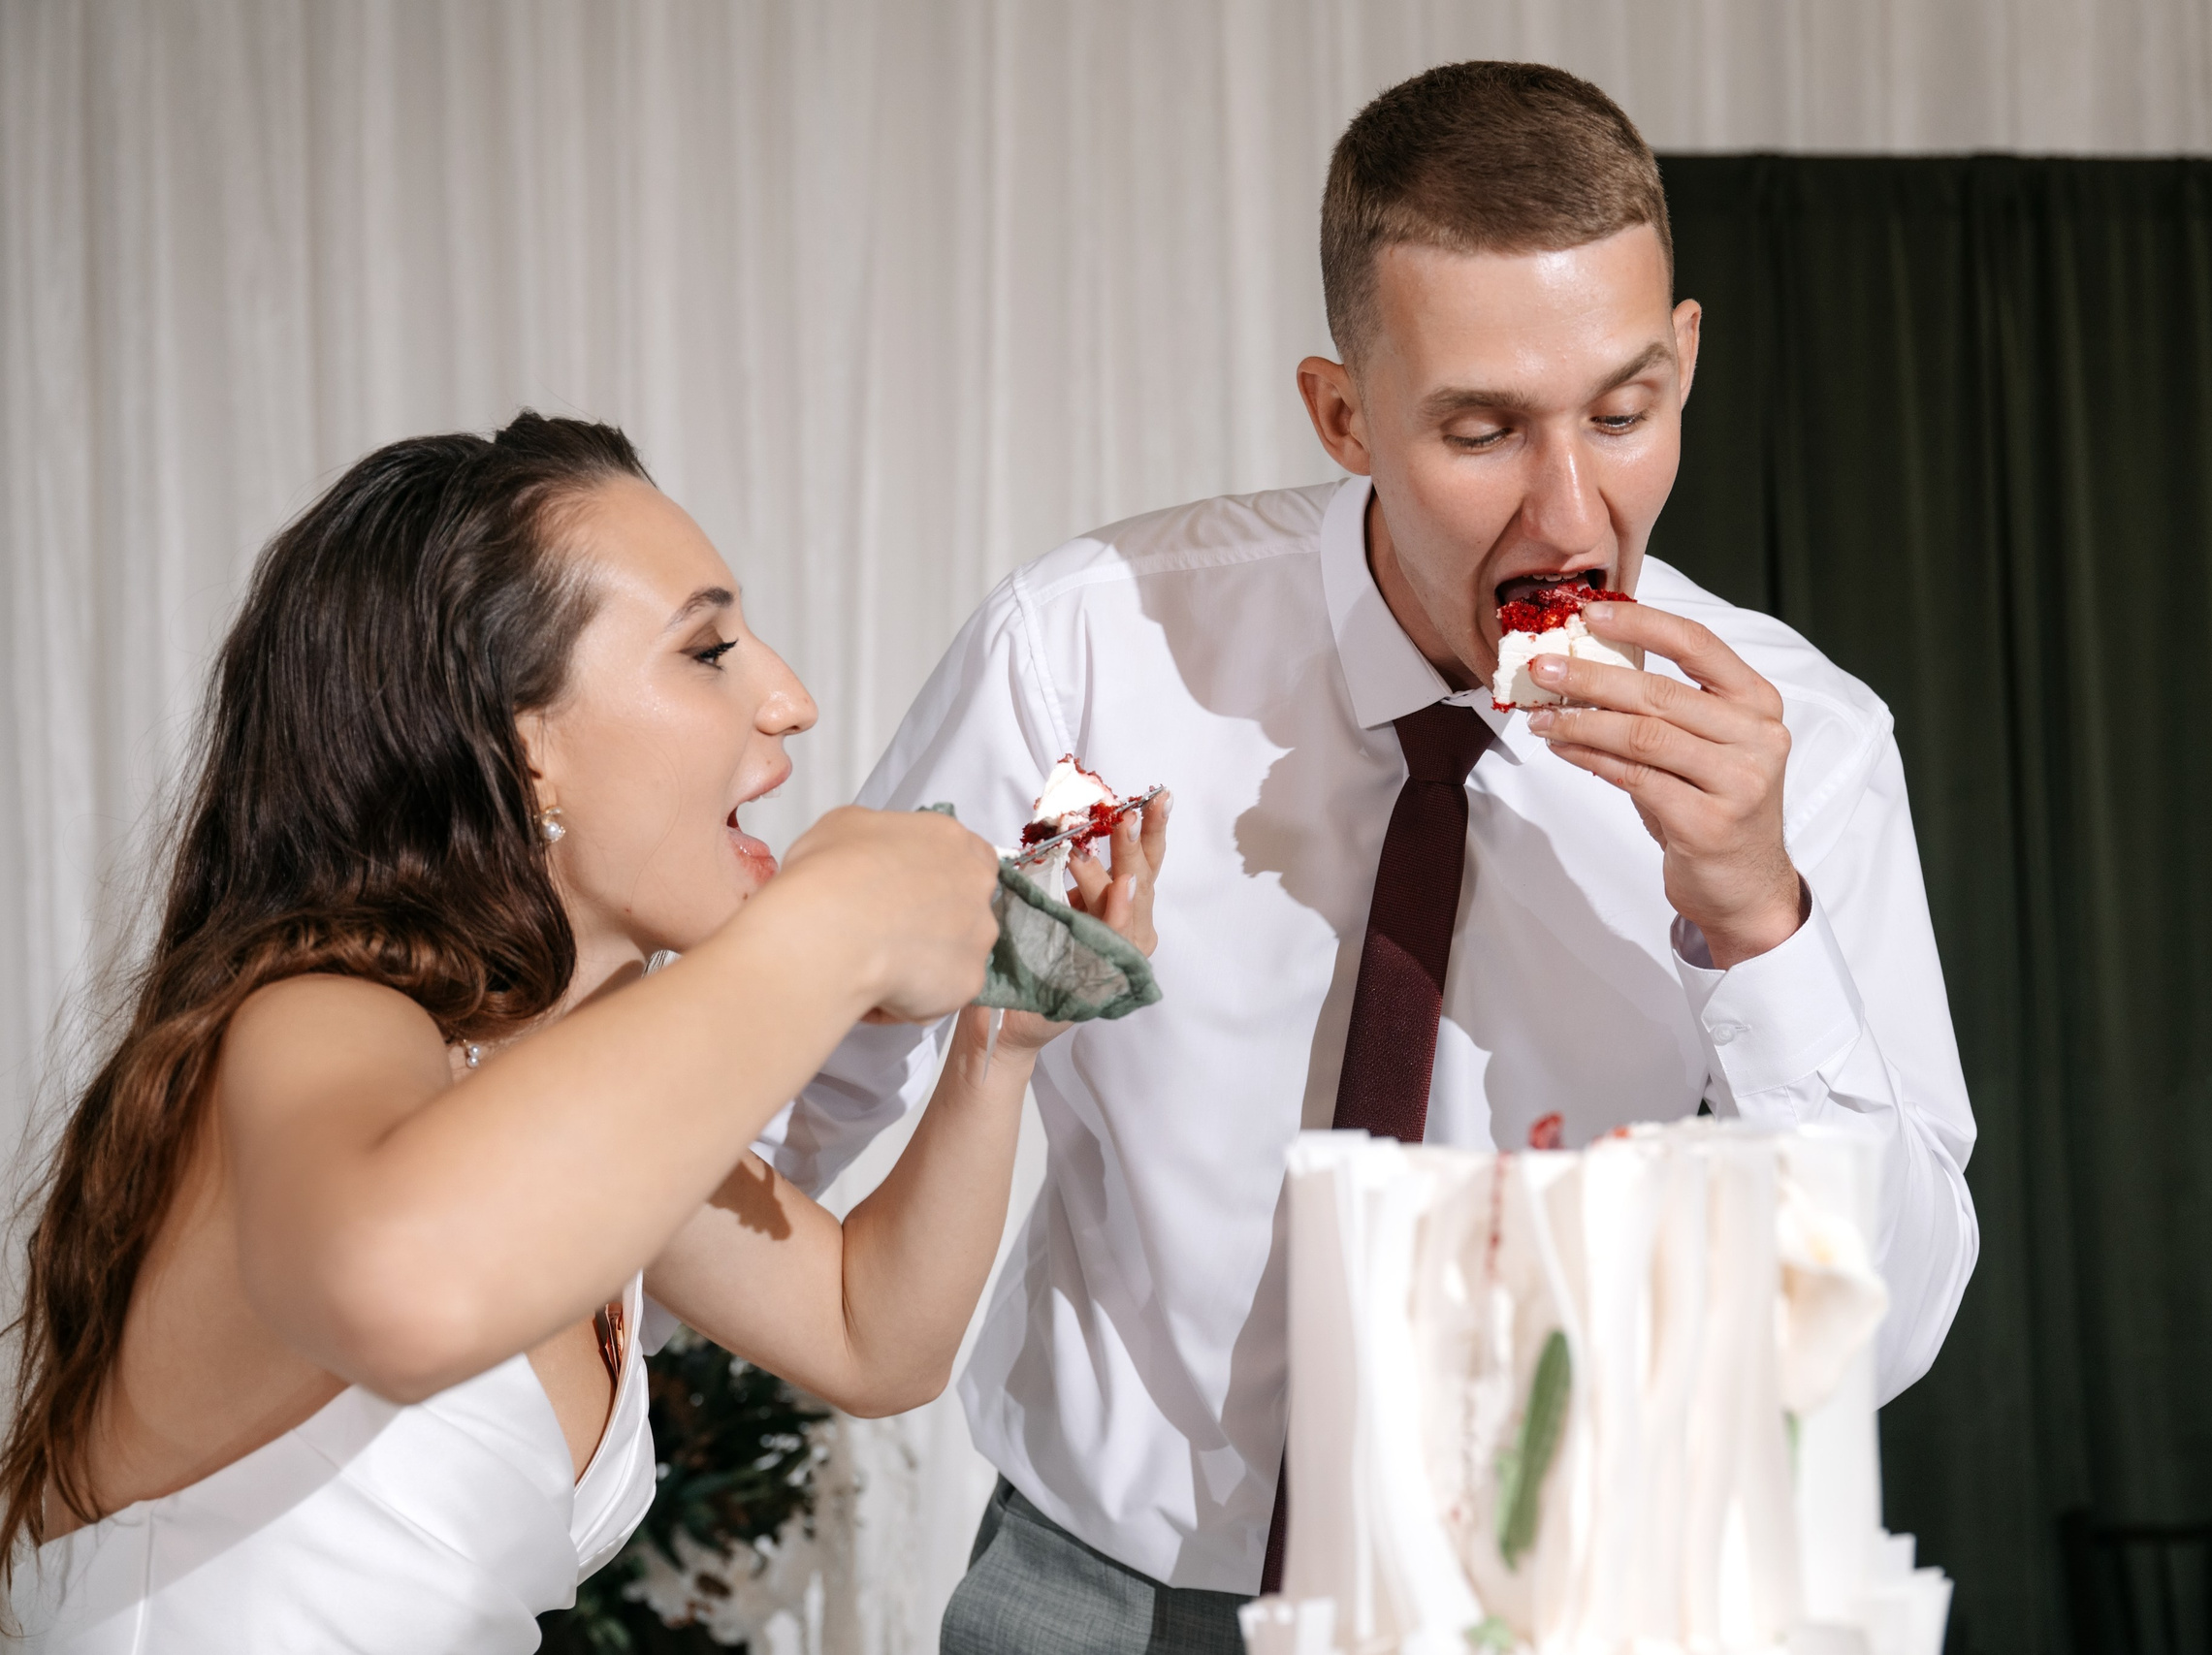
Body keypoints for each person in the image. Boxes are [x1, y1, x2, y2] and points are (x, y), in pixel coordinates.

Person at [778, 61, 1980, 1655]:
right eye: (1482, 431)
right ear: (1343, 413)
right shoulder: (1093, 660)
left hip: (1565, 1599)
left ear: (1685, 356)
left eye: (1624, 413)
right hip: (1105, 1595)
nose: (1571, 509)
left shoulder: (1801, 746)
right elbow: (820, 1072)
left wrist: (1757, 915)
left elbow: (1878, 1323)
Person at [0, 414, 1171, 1653]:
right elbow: (399, 1288)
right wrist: (838, 922)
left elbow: (870, 1335)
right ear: (523, 741)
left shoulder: (558, 1115)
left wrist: (999, 1040)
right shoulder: (308, 1022)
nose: (790, 698)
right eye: (709, 649)